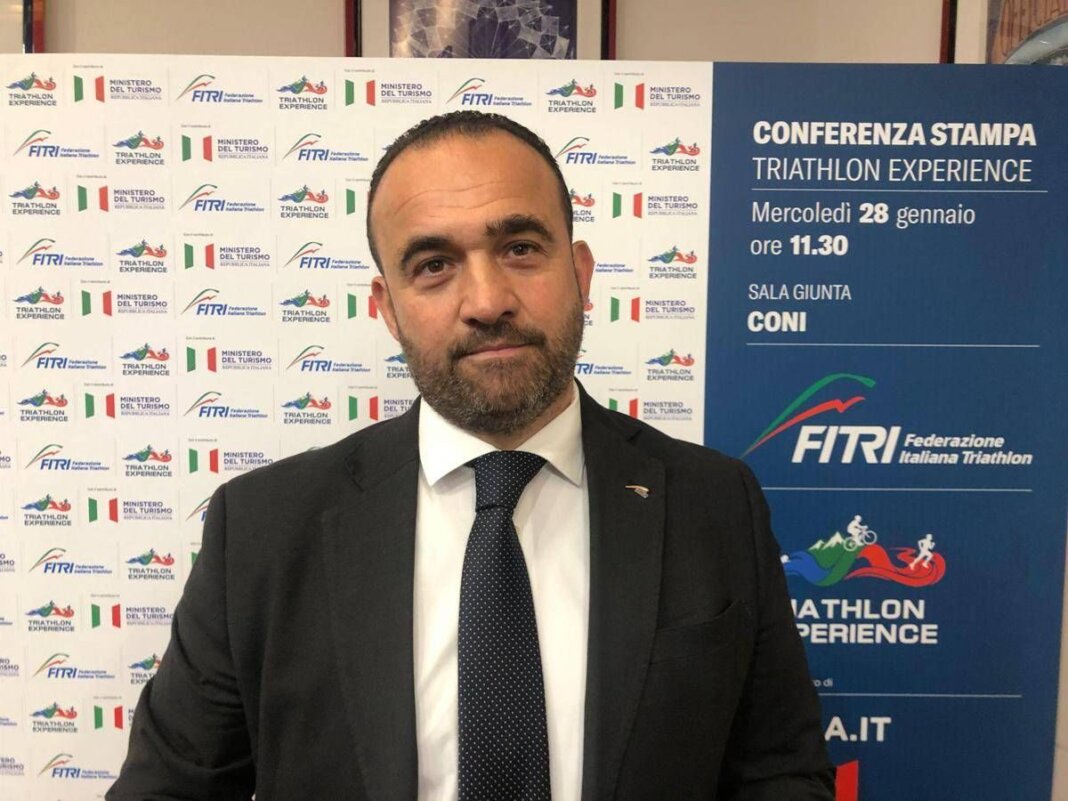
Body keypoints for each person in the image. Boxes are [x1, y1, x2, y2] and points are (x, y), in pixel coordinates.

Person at [109, 111, 833, 800]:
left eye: (520, 248)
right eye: (434, 264)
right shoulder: (263, 528)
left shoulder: (715, 503)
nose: (487, 301)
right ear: (388, 307)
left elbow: (780, 775)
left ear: (580, 272)